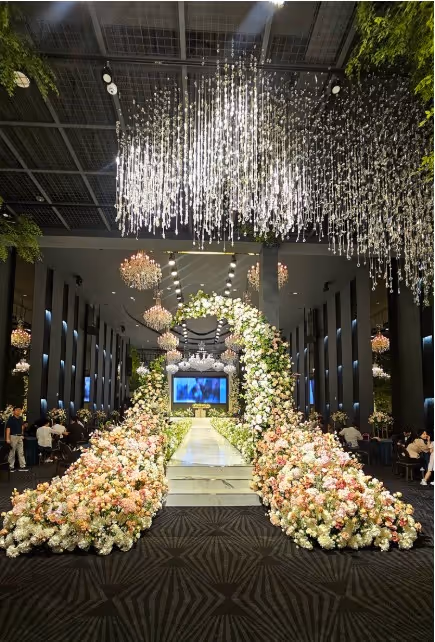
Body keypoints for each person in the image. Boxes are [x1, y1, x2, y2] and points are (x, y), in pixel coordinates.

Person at [5, 407, 28, 471]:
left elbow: (22, 426)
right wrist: (7, 438)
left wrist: (22, 434)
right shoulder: (11, 419)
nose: (18, 411)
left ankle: (22, 466)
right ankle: (11, 466)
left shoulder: (21, 418)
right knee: (12, 452)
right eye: (17, 410)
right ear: (13, 411)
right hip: (13, 436)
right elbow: (8, 429)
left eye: (19, 410)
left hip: (19, 437)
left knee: (21, 452)